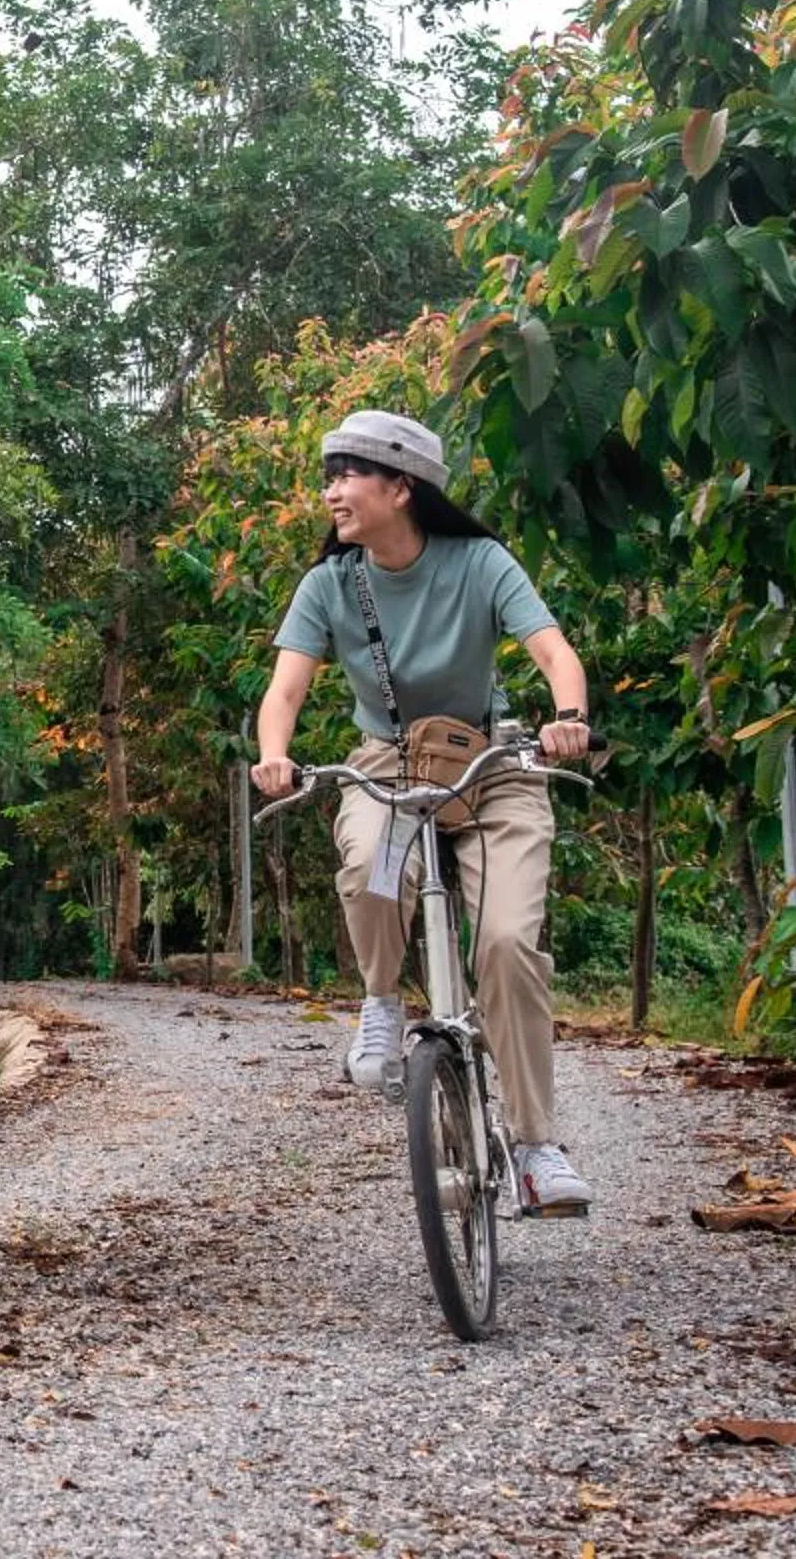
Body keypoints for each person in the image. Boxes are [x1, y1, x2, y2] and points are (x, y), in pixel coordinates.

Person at [249, 409, 600, 1215]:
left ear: (402, 487)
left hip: (494, 764)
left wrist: (569, 715)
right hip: (387, 767)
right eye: (329, 476)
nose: (332, 492)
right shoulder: (330, 584)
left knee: (509, 943)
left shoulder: (480, 563)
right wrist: (275, 753)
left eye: (347, 474)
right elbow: (288, 689)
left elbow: (552, 651)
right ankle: (380, 1002)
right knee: (368, 868)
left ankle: (537, 1147)